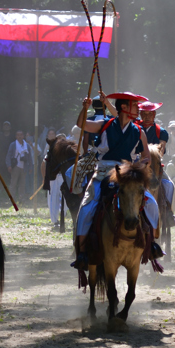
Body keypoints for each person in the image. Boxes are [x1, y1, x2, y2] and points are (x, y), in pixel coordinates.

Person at [72, 92, 161, 271]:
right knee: (87, 207)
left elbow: (145, 157)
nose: (138, 108)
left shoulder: (139, 132)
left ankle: (151, 244)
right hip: (103, 174)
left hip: (127, 175)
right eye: (134, 105)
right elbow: (81, 124)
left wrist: (141, 164)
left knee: (151, 204)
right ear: (124, 108)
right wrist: (84, 108)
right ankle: (82, 253)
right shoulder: (104, 125)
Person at [6, 130, 32, 197]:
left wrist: (30, 167)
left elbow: (29, 157)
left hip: (24, 166)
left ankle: (21, 199)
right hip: (15, 166)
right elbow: (8, 155)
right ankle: (12, 198)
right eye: (18, 135)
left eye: (21, 135)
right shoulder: (13, 144)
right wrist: (9, 165)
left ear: (23, 136)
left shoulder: (27, 146)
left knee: (22, 184)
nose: (19, 136)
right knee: (13, 183)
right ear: (16, 136)